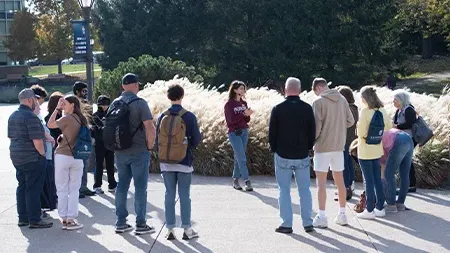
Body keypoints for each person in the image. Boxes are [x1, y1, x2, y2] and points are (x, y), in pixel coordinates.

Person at [269, 77, 316, 234]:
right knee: (304, 190)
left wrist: (274, 148)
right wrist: (308, 147)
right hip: (301, 154)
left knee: (284, 190)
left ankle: (287, 223)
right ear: (300, 90)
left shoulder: (277, 108)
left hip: (283, 154)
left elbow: (272, 133)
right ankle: (308, 222)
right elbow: (312, 132)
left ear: (285, 90)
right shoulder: (307, 108)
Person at [155, 84, 202, 240]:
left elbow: (157, 140)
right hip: (184, 160)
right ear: (182, 96)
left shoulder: (162, 116)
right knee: (184, 196)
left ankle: (169, 229)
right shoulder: (188, 116)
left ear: (168, 97)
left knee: (169, 194)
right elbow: (196, 140)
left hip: (166, 161)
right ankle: (187, 229)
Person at [113, 73, 156, 235]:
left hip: (120, 152)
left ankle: (121, 222)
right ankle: (140, 223)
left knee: (122, 186)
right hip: (139, 151)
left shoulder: (115, 103)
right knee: (140, 188)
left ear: (123, 86)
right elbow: (150, 128)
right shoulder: (140, 103)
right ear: (136, 85)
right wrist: (149, 147)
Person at [311, 78, 354, 228]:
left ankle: (322, 216)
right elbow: (351, 121)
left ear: (318, 88)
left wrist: (312, 141)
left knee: (321, 183)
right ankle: (342, 214)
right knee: (340, 181)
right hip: (338, 146)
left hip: (322, 147)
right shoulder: (342, 100)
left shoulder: (318, 103)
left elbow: (316, 127)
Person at [8, 88, 53, 229]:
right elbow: (37, 140)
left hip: (17, 157)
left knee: (22, 187)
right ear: (29, 100)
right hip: (33, 158)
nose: (36, 103)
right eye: (34, 100)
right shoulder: (31, 117)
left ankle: (23, 218)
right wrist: (42, 155)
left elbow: (11, 137)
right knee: (33, 188)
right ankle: (34, 219)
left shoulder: (13, 115)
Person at [47, 95, 89, 230]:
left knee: (62, 188)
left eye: (64, 103)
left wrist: (56, 109)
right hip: (78, 157)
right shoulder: (81, 119)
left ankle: (64, 218)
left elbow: (50, 124)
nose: (63, 105)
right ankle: (71, 218)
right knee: (74, 189)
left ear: (72, 105)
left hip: (62, 156)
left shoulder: (67, 118)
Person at [356, 86, 392, 220]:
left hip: (365, 150)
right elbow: (388, 126)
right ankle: (380, 208)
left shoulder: (365, 111)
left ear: (364, 98)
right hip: (377, 148)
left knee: (368, 180)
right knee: (377, 179)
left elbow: (360, 133)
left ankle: (369, 209)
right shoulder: (382, 110)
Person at [224, 80, 254, 191]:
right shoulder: (229, 104)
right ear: (235, 90)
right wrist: (243, 114)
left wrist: (247, 115)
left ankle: (235, 180)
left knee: (238, 157)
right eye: (241, 88)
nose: (243, 90)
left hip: (244, 131)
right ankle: (247, 181)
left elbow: (247, 120)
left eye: (244, 88)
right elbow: (230, 120)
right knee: (242, 157)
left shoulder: (243, 103)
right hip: (234, 133)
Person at [32, 90, 57, 214]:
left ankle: (43, 207)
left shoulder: (38, 116)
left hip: (45, 155)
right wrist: (48, 137)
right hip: (42, 155)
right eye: (36, 103)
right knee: (40, 185)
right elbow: (39, 134)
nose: (39, 106)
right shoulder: (33, 117)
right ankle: (39, 210)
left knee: (45, 183)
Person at [381, 129, 414, 212]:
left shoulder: (373, 147)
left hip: (398, 141)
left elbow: (384, 169)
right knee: (404, 174)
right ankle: (400, 204)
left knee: (388, 174)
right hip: (408, 139)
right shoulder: (380, 134)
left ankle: (391, 205)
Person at [73, 81, 95, 198]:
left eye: (86, 91)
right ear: (77, 92)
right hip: (77, 139)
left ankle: (83, 186)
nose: (85, 93)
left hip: (86, 137)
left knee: (85, 163)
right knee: (78, 165)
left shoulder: (86, 104)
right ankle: (78, 189)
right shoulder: (72, 104)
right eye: (83, 91)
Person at [91, 95, 117, 194]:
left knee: (110, 164)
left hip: (109, 143)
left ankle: (112, 184)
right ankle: (97, 185)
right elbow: (100, 126)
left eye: (106, 104)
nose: (105, 106)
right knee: (99, 164)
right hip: (99, 143)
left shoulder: (111, 114)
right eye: (103, 104)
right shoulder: (95, 115)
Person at [393, 90, 417, 193]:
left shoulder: (409, 109)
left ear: (401, 100)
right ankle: (408, 184)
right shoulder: (399, 110)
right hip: (402, 138)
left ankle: (410, 185)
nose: (393, 102)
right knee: (405, 161)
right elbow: (395, 122)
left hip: (409, 138)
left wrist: (397, 126)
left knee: (406, 161)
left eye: (395, 100)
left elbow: (410, 124)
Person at [337, 86, 359, 200]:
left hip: (344, 140)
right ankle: (350, 185)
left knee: (343, 165)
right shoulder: (354, 108)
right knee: (349, 164)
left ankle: (345, 189)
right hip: (351, 140)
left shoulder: (346, 109)